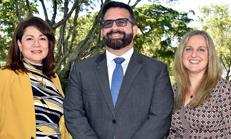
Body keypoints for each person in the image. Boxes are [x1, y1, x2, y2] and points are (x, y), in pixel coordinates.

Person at [64, 1, 174, 139]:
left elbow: (160, 118)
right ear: (102, 31)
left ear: (134, 30)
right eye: (108, 23)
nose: (114, 27)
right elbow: (73, 113)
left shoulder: (157, 71)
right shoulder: (81, 70)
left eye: (121, 22)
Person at [0, 17, 69, 139]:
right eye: (29, 38)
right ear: (20, 44)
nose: (36, 44)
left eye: (42, 38)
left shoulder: (54, 79)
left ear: (49, 44)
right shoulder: (5, 75)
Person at [167, 30, 231, 138]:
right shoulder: (173, 90)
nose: (193, 54)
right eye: (188, 49)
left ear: (210, 55)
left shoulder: (224, 90)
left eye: (201, 50)